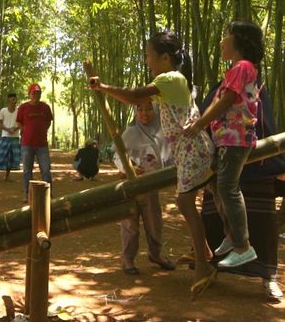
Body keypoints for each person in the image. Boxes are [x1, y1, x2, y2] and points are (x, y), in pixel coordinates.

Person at [89, 31, 216, 300]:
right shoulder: (173, 80)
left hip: (192, 149)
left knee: (185, 204)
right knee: (196, 201)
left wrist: (103, 87)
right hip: (189, 150)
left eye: (149, 55)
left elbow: (136, 96)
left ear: (165, 57)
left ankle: (204, 264)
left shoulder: (169, 78)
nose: (147, 61)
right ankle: (206, 251)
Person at [184, 21, 264, 268]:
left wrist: (199, 124)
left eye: (226, 35)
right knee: (217, 187)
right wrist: (202, 122)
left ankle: (243, 246)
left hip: (235, 138)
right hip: (226, 139)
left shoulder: (242, 67)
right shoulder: (236, 70)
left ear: (239, 40)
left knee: (227, 188)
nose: (221, 41)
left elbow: (228, 99)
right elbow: (220, 99)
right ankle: (231, 235)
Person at [199, 78, 285, 300]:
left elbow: (264, 125)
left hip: (255, 166)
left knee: (263, 226)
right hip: (221, 165)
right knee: (215, 221)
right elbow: (205, 120)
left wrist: (277, 164)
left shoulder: (257, 86)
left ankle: (269, 278)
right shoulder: (220, 87)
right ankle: (213, 269)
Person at [113, 101, 175, 274]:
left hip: (151, 185)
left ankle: (156, 254)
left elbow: (166, 157)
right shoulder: (130, 132)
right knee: (130, 224)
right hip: (131, 186)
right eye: (140, 109)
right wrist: (127, 168)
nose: (144, 113)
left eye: (149, 109)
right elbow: (118, 155)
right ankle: (128, 259)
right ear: (135, 111)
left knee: (154, 221)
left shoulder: (161, 131)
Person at [16, 83, 53, 201]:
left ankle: (48, 194)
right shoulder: (23, 107)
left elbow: (48, 121)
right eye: (34, 93)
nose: (36, 95)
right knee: (27, 170)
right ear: (29, 94)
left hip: (42, 144)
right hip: (27, 144)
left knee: (46, 169)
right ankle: (28, 194)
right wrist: (25, 131)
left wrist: (43, 130)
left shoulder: (45, 107)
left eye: (38, 93)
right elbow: (19, 122)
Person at [0, 93, 21, 181]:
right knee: (0, 155)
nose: (13, 102)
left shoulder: (19, 111)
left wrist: (15, 129)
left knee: (11, 157)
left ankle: (7, 176)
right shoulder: (3, 111)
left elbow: (21, 123)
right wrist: (7, 129)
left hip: (15, 137)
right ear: (8, 101)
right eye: (11, 100)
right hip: (5, 136)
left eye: (14, 100)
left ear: (16, 101)